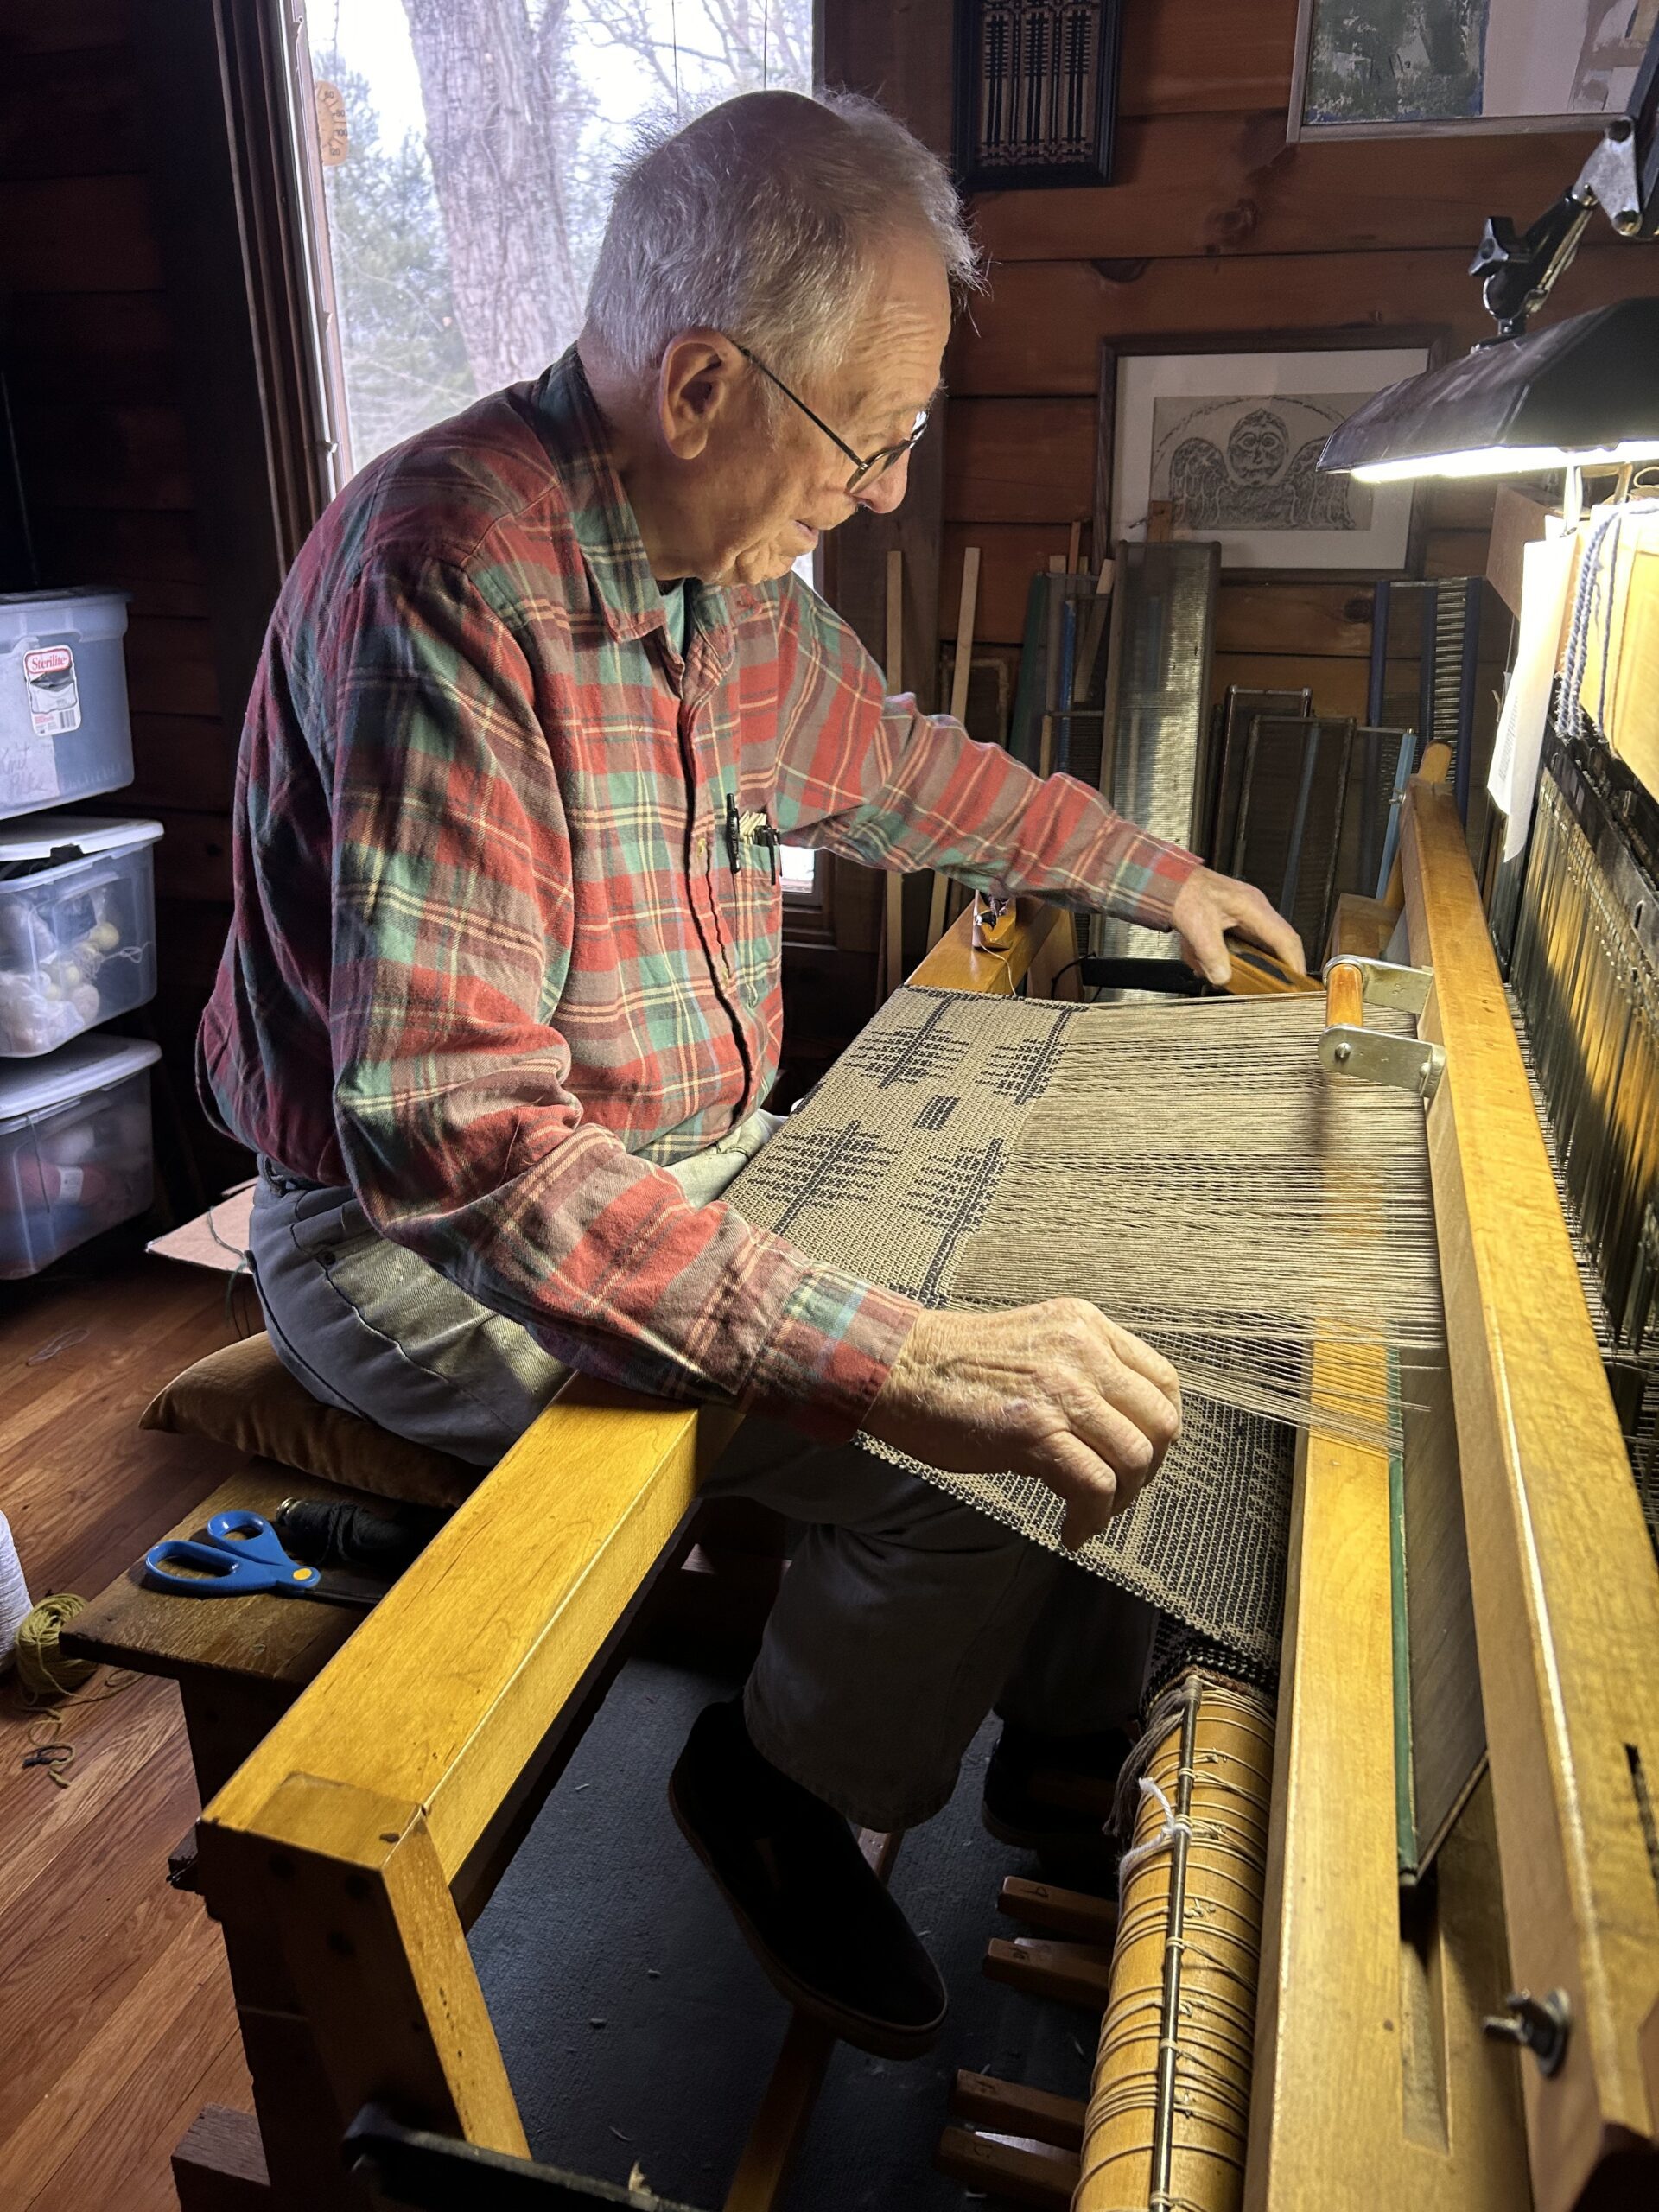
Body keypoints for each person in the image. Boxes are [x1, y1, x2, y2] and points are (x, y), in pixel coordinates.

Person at [199, 87, 1305, 2059]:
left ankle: (1059, 1753)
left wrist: (1162, 873)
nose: (883, 492)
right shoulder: (450, 571)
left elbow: (905, 772)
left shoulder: (728, 582)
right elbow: (459, 1146)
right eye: (867, 438)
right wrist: (900, 1357)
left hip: (677, 1162)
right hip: (411, 1245)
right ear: (703, 383)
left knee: (1086, 1321)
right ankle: (780, 1779)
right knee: (959, 1448)